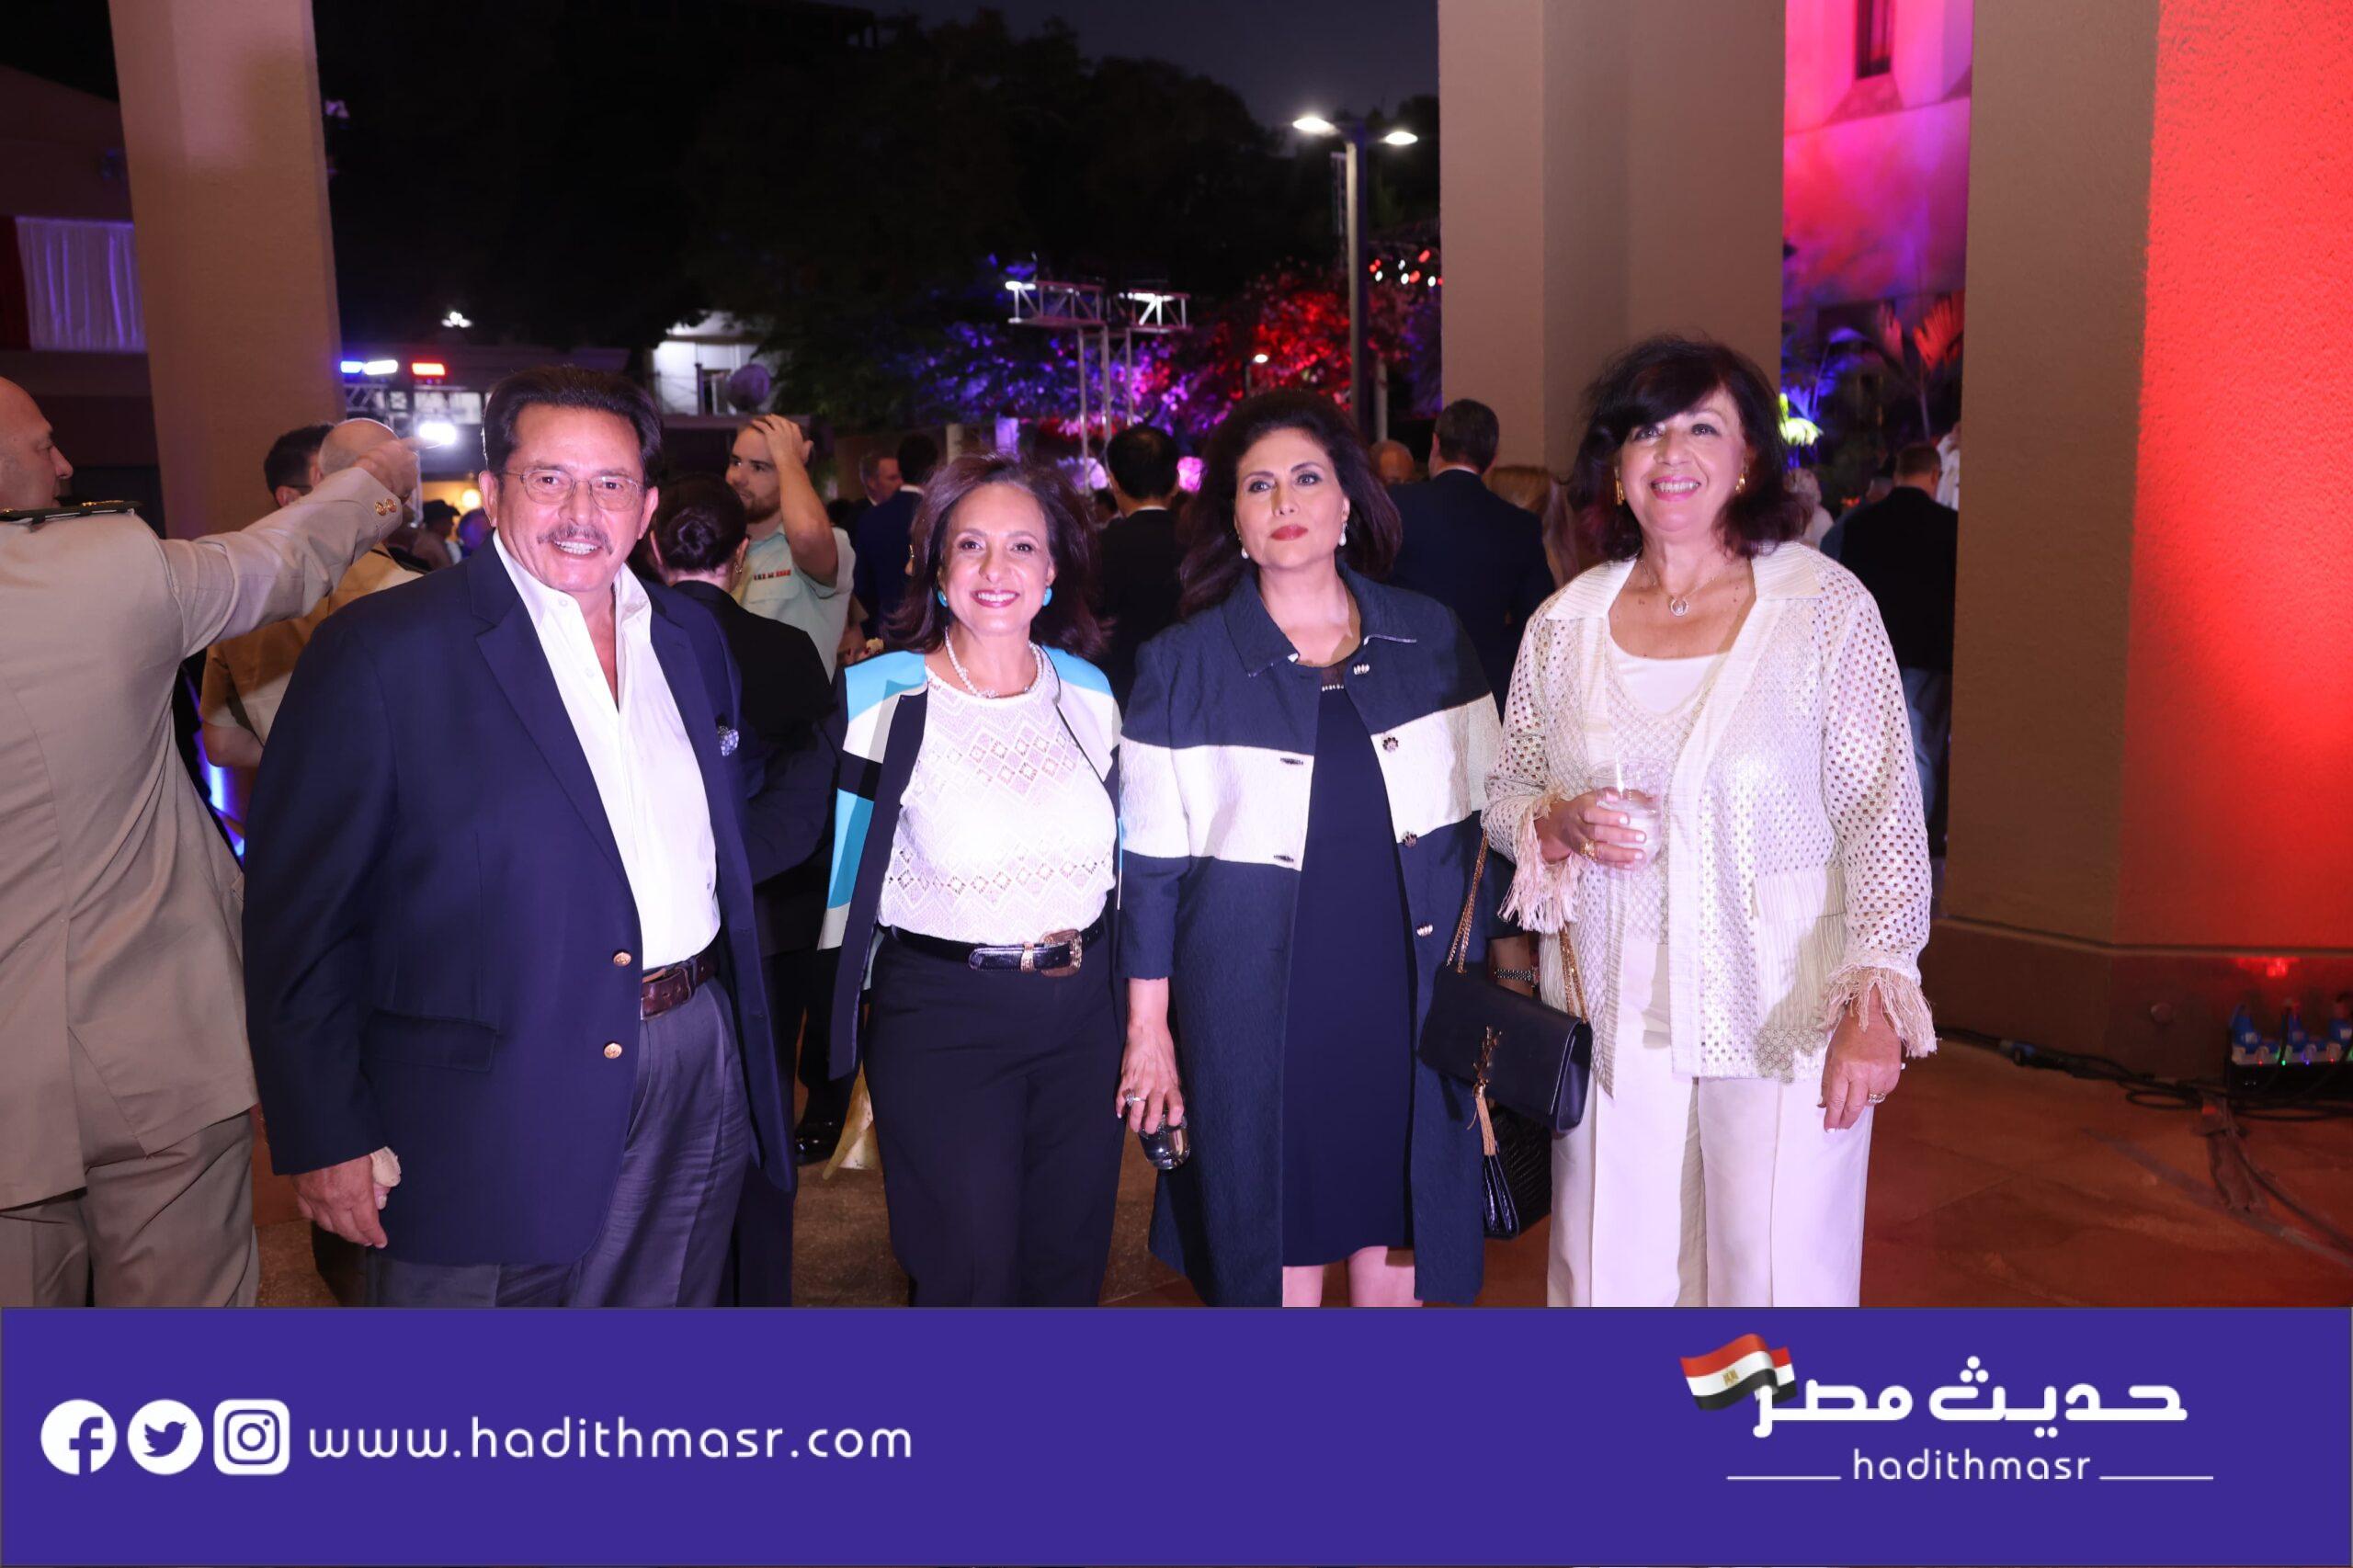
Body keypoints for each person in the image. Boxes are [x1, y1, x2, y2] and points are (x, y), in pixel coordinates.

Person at [244, 367, 833, 1308]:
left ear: (646, 508)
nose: (580, 512)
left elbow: (717, 815)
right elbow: (299, 916)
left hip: (689, 1060)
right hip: (485, 1102)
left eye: (610, 484)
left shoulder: (687, 640)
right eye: (549, 478)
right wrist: (324, 1128)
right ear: (492, 489)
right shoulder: (383, 651)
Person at [1483, 334, 1934, 1309]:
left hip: (1783, 1004)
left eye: (1701, 427)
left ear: (1749, 459)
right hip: (1610, 1007)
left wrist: (1875, 1003)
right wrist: (1558, 822)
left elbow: (1883, 816)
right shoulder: (1565, 624)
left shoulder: (1822, 608)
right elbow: (1507, 794)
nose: (1671, 453)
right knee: (1608, 1275)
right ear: (1617, 466)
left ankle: (1749, 1417)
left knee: (1771, 1276)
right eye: (1646, 432)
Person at [0, 374, 419, 1308]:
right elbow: (279, 560)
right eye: (41, 445)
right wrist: (377, 476)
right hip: (152, 1052)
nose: (65, 465)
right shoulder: (95, 569)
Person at [1118, 390, 1501, 1308]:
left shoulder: (1430, 637)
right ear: (1235, 519)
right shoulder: (1183, 664)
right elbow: (1150, 873)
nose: (1285, 500)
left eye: (1306, 478)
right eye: (1259, 485)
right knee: (1271, 1252)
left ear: (1347, 503)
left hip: (1405, 1002)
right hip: (1254, 1012)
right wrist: (1148, 1030)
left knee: (1400, 1241)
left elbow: (1491, 826)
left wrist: (1500, 991)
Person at [820, 452, 1123, 1307]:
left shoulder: (1090, 693)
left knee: (1068, 1271)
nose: (997, 569)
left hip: (1086, 1018)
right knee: (968, 1278)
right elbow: (811, 858)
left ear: (1053, 570)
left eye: (1022, 547)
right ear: (936, 566)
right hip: (945, 1019)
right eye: (971, 545)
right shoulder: (878, 698)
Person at [644, 472, 835, 1303]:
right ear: (744, 559)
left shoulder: (628, 648)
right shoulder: (787, 650)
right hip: (771, 913)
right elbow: (812, 798)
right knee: (761, 1098)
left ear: (653, 548)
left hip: (660, 925)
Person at [199, 419, 422, 768]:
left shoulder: (242, 593)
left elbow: (223, 746)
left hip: (295, 797)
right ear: (405, 493)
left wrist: (308, 764)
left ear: (319, 478)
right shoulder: (420, 595)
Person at [1387, 397, 1555, 714]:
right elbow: (1537, 618)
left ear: (1435, 444)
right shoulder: (1519, 525)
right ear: (1492, 460)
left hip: (1404, 681)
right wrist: (1490, 645)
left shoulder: (1395, 506)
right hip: (1485, 687)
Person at [1831, 441, 1958, 852]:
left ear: (1898, 473)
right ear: (1934, 475)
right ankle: (1912, 845)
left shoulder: (1861, 525)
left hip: (1870, 654)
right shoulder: (1951, 527)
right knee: (1923, 750)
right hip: (1929, 654)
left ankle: (1874, 839)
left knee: (1872, 753)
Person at [729, 413, 857, 677]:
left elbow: (807, 535)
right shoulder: (719, 551)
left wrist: (788, 457)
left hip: (800, 705)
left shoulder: (832, 543)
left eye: (758, 467)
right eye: (736, 462)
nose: (738, 477)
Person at [1096, 423, 1187, 706]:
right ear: (1176, 482)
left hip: (1121, 697)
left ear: (1114, 483)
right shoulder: (1204, 545)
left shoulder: (1098, 548)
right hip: (1195, 694)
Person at [850, 431, 936, 643]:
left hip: (886, 630)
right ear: (934, 469)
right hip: (932, 630)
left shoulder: (871, 518)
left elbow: (861, 586)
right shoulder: (937, 515)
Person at [1791, 467, 1836, 549]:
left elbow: (1827, 551)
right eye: (1808, 475)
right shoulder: (1789, 517)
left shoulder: (1822, 517)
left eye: (1809, 475)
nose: (1814, 478)